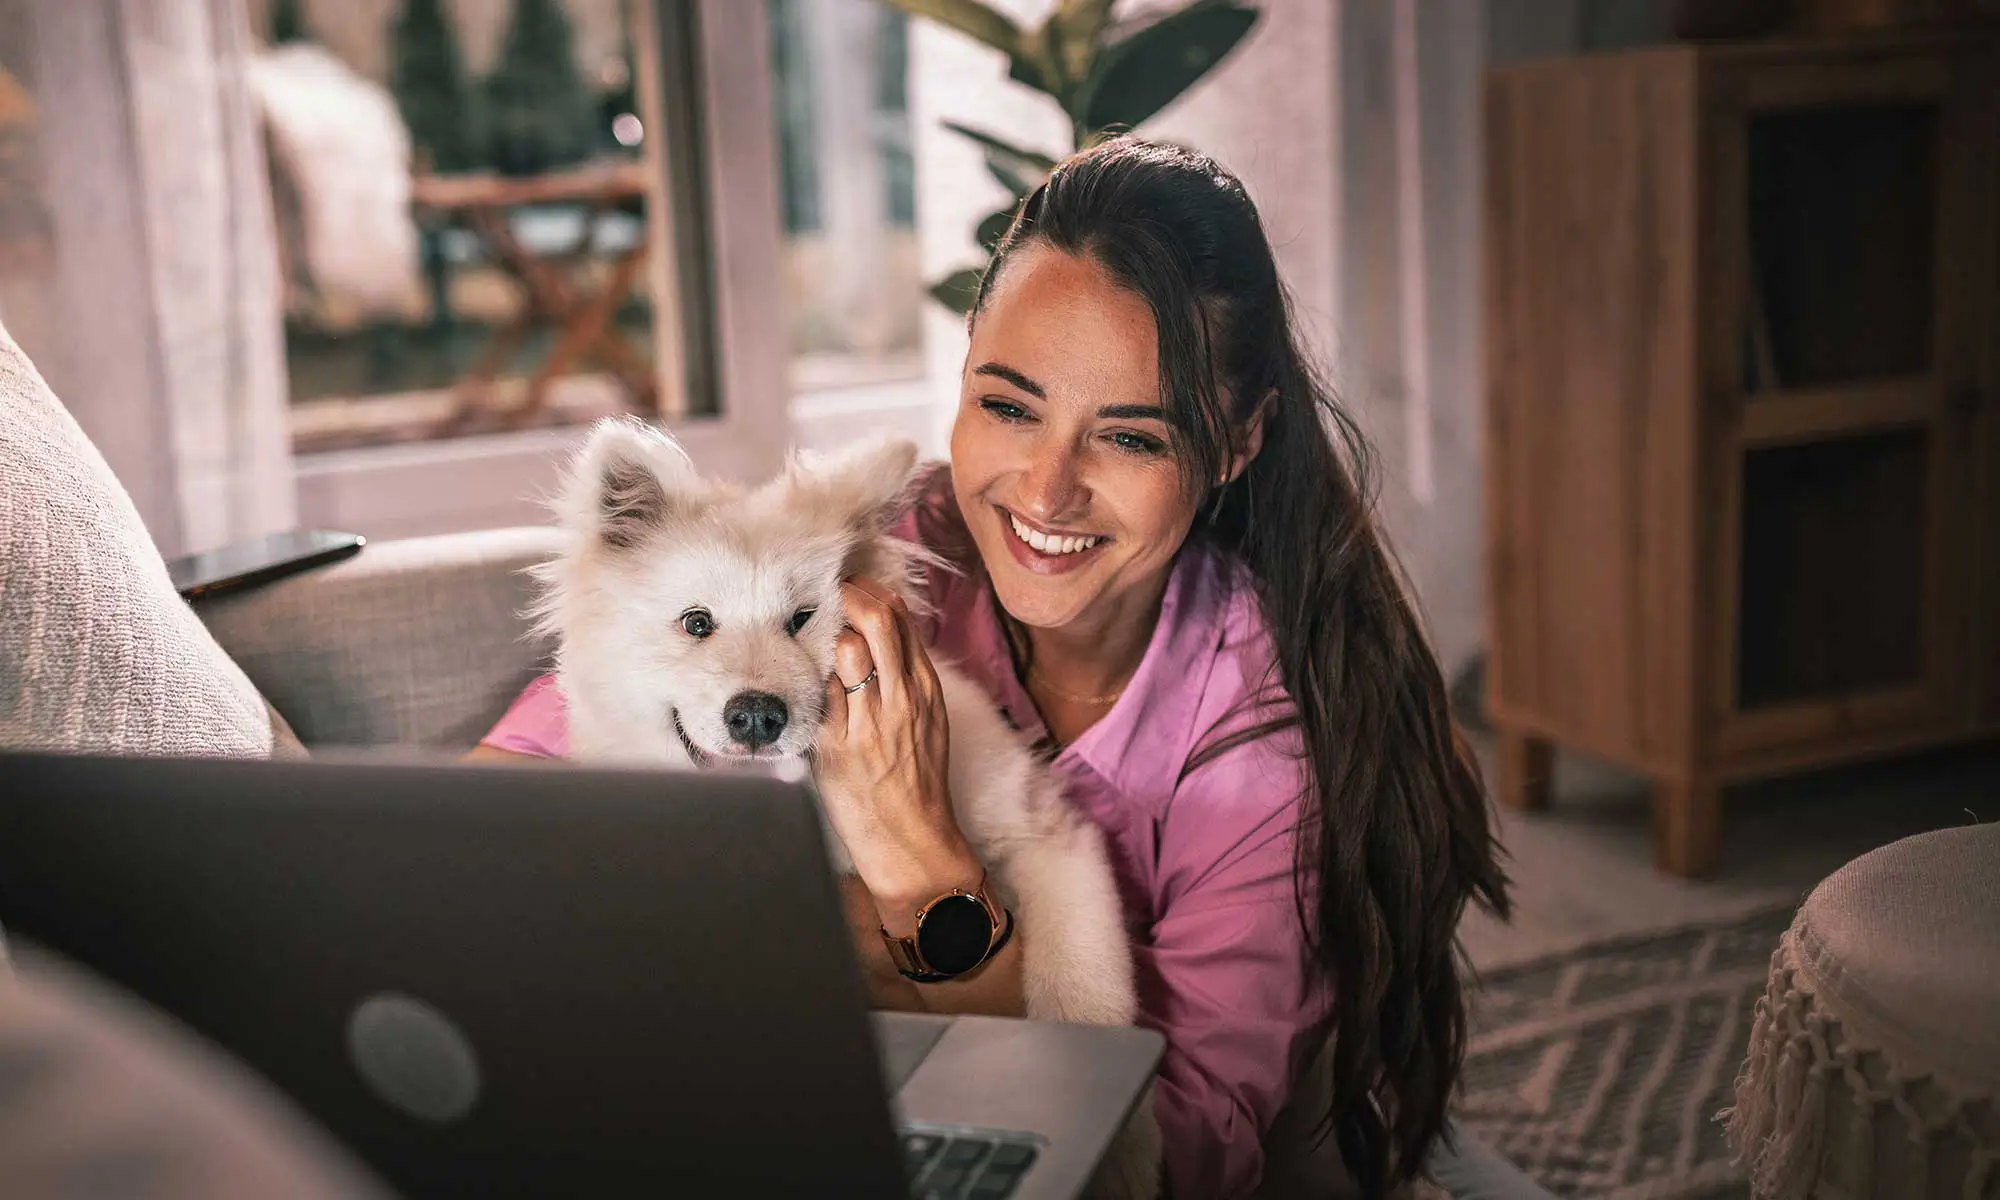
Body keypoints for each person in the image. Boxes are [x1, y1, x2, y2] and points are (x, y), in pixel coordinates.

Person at [470, 137, 1528, 1199]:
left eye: (1130, 438)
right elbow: (516, 773)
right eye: (1008, 406)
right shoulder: (891, 538)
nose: (1045, 491)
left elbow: (1165, 1167)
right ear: (965, 369)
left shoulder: (1256, 748)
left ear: (1236, 445)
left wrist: (916, 864)